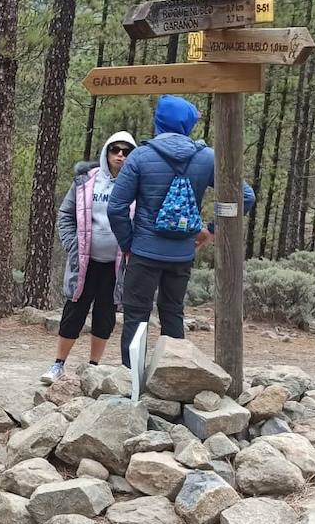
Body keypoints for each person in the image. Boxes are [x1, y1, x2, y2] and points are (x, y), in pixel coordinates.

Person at [109, 95, 255, 367]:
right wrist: (210, 231)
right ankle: (173, 379)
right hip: (181, 254)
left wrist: (130, 244)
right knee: (172, 313)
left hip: (144, 252)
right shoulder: (207, 157)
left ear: (159, 122)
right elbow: (244, 196)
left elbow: (116, 208)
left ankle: (132, 384)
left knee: (136, 316)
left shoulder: (140, 156)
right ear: (187, 124)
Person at [43, 131, 138, 385]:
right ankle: (58, 364)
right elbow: (65, 214)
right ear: (106, 152)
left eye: (126, 151)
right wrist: (72, 244)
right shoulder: (86, 181)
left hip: (117, 265)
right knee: (75, 309)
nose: (120, 155)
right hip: (85, 261)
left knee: (105, 315)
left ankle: (93, 367)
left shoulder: (138, 184)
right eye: (115, 149)